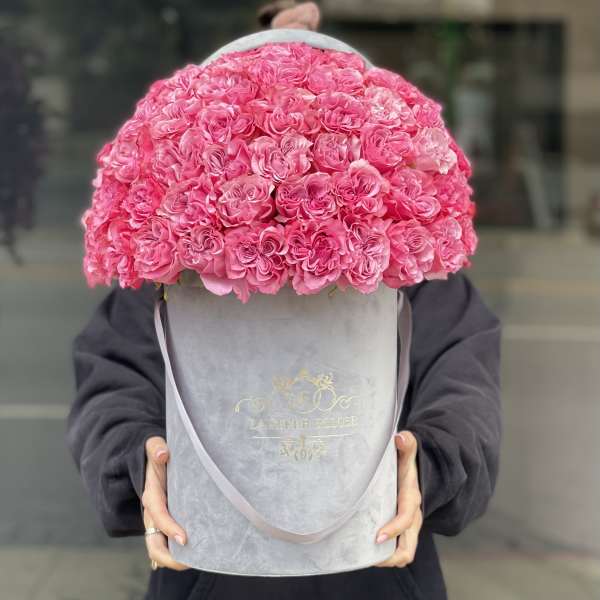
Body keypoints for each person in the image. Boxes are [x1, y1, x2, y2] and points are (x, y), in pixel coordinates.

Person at [67, 3, 501, 599]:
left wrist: (428, 465)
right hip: (212, 568)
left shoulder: (401, 247)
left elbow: (464, 383)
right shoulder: (178, 254)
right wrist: (139, 462)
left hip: (376, 569)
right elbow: (113, 379)